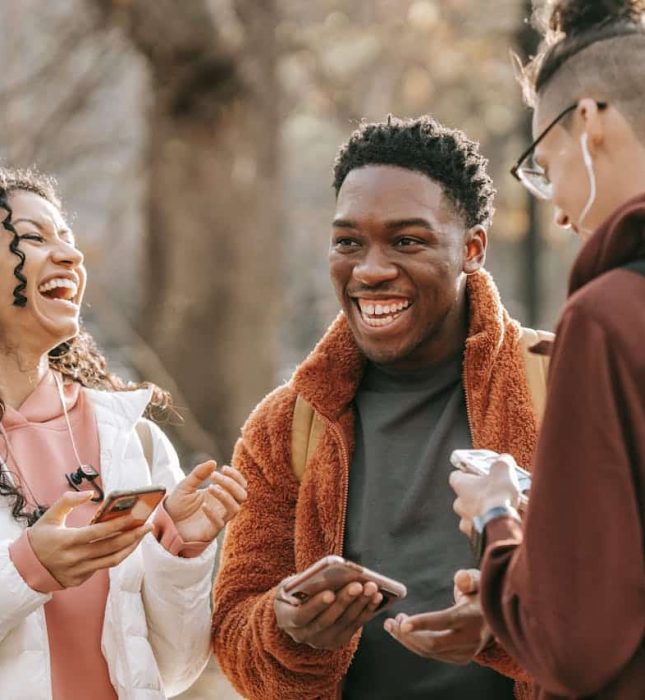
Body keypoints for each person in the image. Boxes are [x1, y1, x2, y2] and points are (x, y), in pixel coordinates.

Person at [212, 115, 550, 699]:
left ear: (472, 249)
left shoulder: (561, 383)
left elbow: (622, 603)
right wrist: (289, 628)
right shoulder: (286, 426)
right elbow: (235, 631)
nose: (370, 270)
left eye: (407, 241)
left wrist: (507, 624)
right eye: (348, 241)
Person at [445, 1, 645, 698]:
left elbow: (575, 641)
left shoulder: (606, 318)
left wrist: (498, 520)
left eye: (544, 164)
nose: (557, 210)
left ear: (589, 123)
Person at [0, 167, 247, 699]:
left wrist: (182, 550)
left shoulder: (132, 439)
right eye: (33, 239)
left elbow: (173, 670)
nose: (71, 256)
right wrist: (28, 569)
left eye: (67, 239)